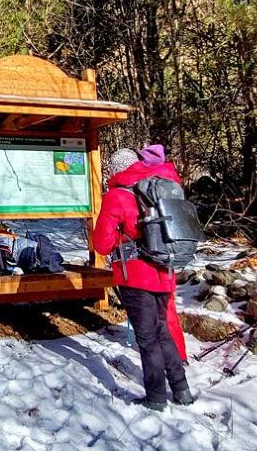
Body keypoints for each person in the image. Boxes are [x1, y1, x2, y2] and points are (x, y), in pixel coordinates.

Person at [94, 147, 194, 411]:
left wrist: (121, 240)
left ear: (115, 170)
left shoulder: (117, 196)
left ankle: (156, 397)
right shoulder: (160, 187)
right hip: (165, 270)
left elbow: (102, 244)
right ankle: (181, 390)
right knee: (163, 332)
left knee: (147, 338)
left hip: (136, 277)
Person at [136, 144, 188, 363]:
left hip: (155, 251)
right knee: (169, 308)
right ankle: (180, 354)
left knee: (160, 312)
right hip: (173, 249)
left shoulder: (147, 184)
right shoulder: (172, 182)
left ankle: (173, 358)